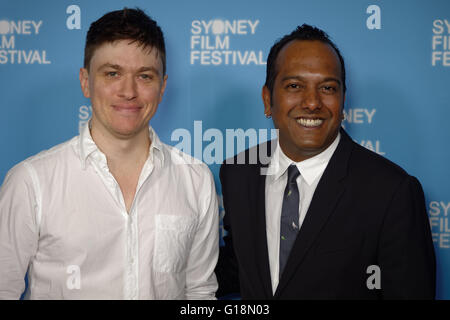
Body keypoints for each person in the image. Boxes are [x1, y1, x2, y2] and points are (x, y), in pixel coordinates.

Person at [0, 8, 219, 299]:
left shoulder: (195, 179)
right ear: (85, 81)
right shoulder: (30, 182)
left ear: (162, 87)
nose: (128, 91)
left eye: (144, 76)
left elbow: (200, 293)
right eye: (112, 73)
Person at [216, 24, 436, 299]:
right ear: (267, 99)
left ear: (343, 101)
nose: (312, 102)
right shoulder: (239, 172)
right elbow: (242, 265)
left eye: (328, 87)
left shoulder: (392, 192)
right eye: (294, 86)